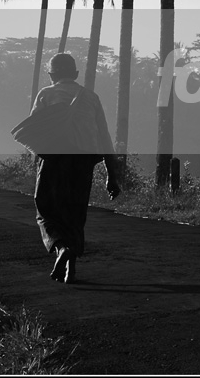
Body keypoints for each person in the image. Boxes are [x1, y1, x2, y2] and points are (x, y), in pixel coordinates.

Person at [30, 53, 120, 284]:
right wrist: (111, 175)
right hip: (83, 163)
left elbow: (34, 132)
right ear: (76, 74)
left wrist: (37, 162)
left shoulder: (45, 94)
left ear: (51, 75)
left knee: (46, 211)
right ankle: (71, 270)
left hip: (53, 160)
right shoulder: (91, 97)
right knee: (75, 215)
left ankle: (61, 248)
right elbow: (104, 136)